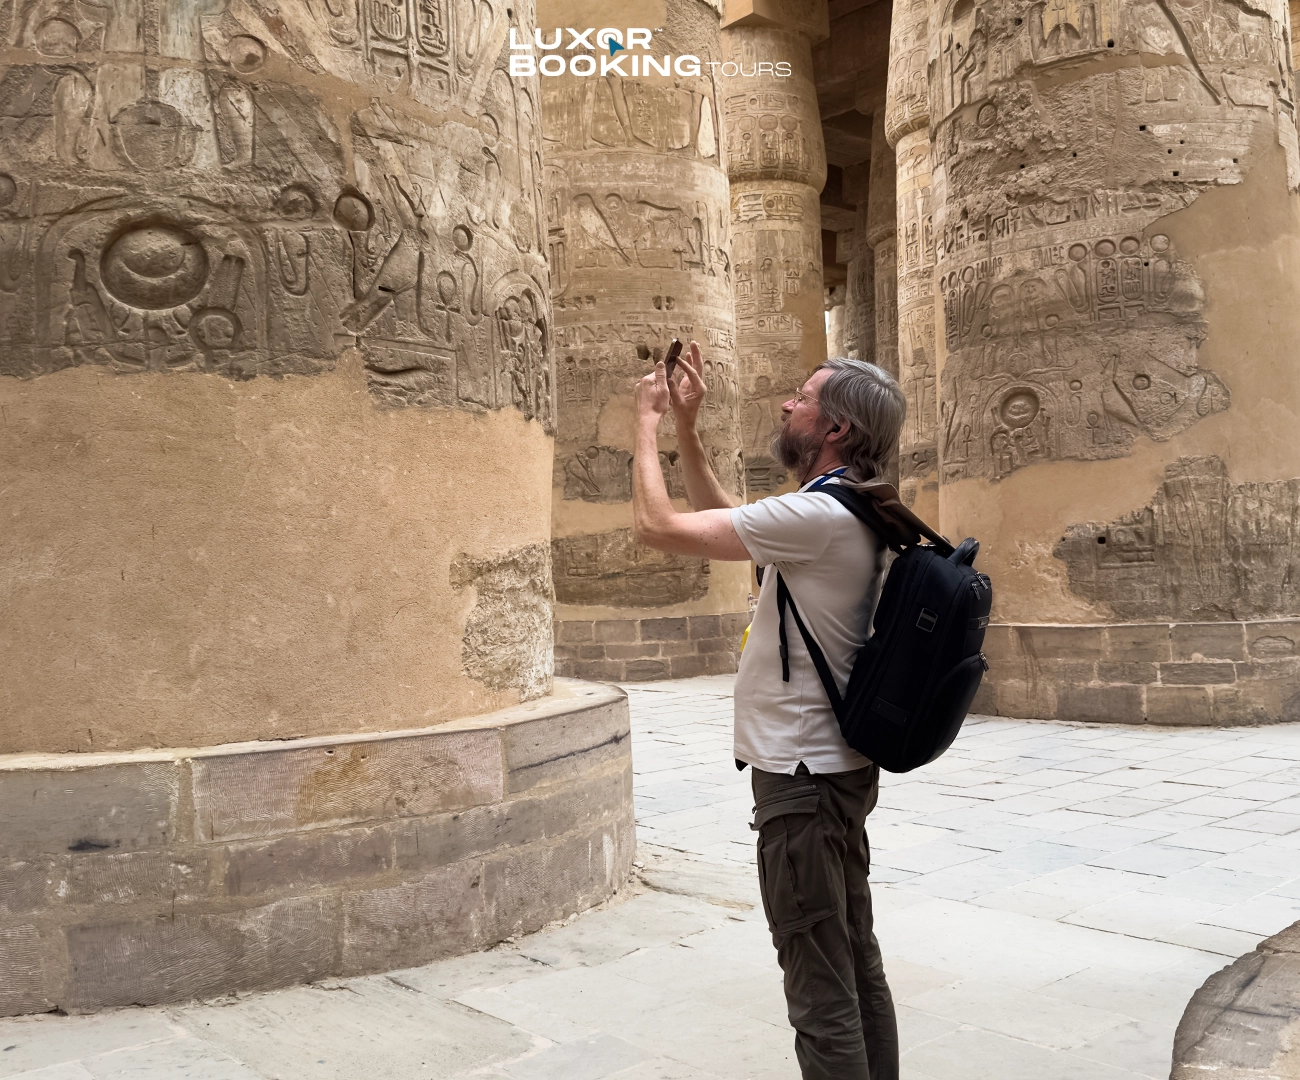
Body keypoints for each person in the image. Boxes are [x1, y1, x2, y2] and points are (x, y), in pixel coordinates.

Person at [631, 341, 905, 1080]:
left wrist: (645, 422)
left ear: (837, 428)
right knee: (850, 953)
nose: (787, 403)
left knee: (817, 984)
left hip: (801, 777)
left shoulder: (820, 516)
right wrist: (689, 428)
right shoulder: (849, 508)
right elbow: (729, 518)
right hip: (836, 768)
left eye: (802, 396)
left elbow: (661, 528)